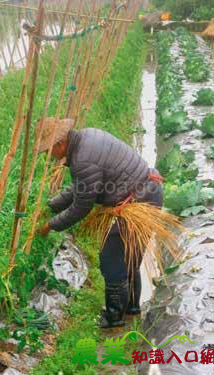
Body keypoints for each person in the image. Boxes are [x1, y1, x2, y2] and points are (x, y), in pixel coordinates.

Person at [36, 118, 164, 329]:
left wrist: (50, 225)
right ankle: (131, 307)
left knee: (111, 257)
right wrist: (52, 206)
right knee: (129, 255)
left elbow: (81, 207)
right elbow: (80, 188)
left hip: (139, 200)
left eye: (48, 151)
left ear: (59, 144)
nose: (48, 157)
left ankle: (114, 317)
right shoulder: (86, 138)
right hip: (148, 192)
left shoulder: (83, 159)